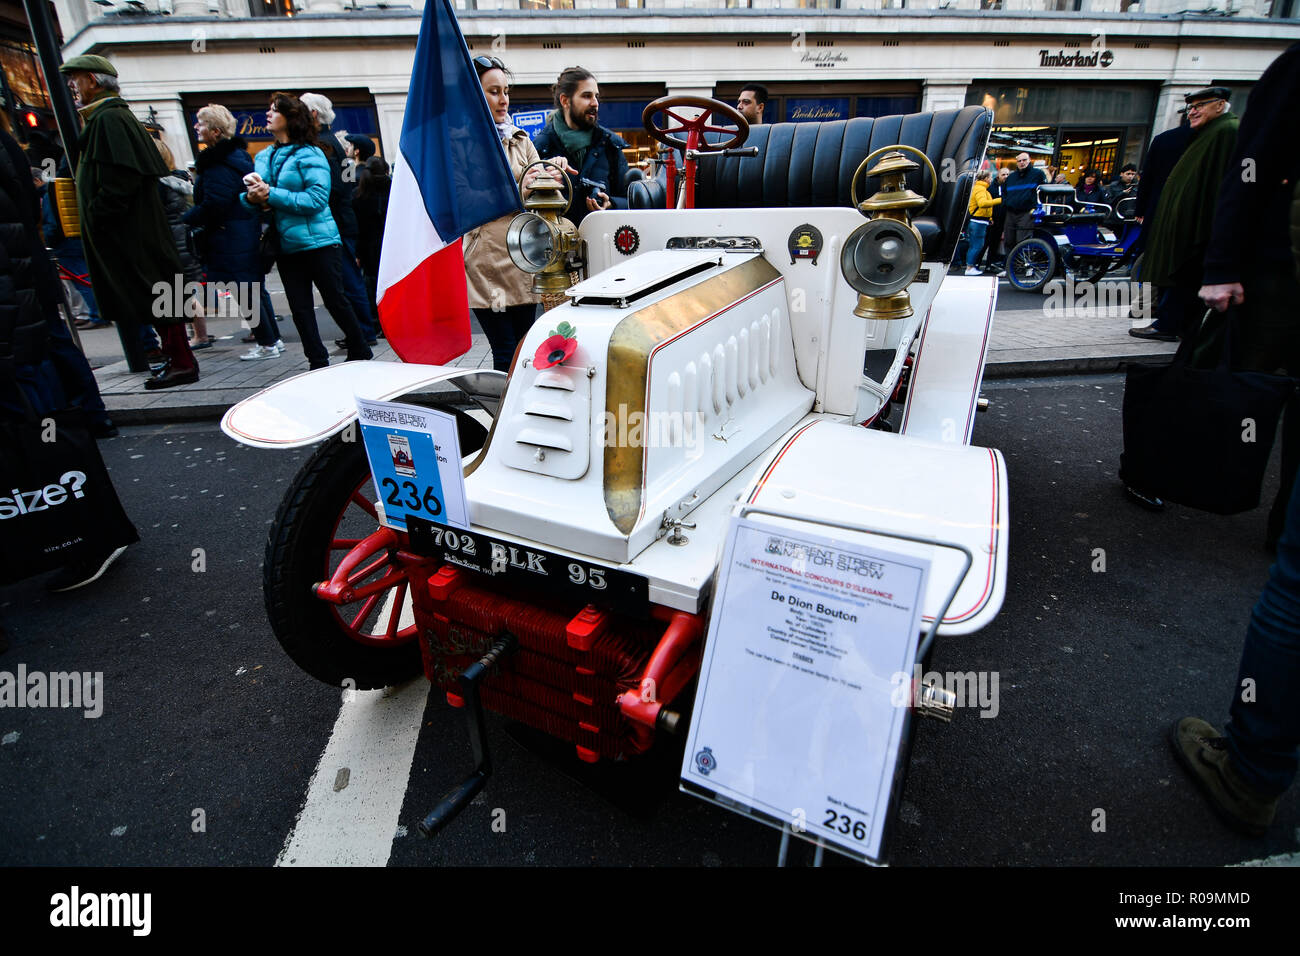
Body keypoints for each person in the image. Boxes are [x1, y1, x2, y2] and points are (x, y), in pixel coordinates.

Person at [0, 125, 132, 588]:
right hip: (25, 304)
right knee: (41, 421)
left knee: (39, 428)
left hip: (16, 313)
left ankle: (81, 534)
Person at [1198, 44, 1300, 550]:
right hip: (1283, 268)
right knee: (1252, 388)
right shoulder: (1295, 69)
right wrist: (1222, 266)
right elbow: (1250, 167)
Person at [58, 54, 198, 389]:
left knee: (158, 295)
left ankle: (181, 361)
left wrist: (98, 210)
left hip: (133, 232)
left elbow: (121, 179)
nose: (72, 86)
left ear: (93, 80)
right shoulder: (108, 118)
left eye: (76, 79)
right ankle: (177, 359)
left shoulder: (110, 119)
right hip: (134, 231)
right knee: (157, 296)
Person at [242, 92, 372, 369]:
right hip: (286, 243)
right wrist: (252, 198)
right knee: (299, 308)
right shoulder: (265, 156)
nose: (268, 114)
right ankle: (317, 361)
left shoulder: (312, 153)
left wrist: (271, 194)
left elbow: (316, 199)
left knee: (336, 299)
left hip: (320, 241)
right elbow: (259, 200)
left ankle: (360, 349)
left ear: (291, 118)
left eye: (275, 110)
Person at [1136, 86, 1239, 346]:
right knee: (1178, 274)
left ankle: (1172, 323)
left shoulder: (1227, 132)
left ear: (1220, 104)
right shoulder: (1207, 133)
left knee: (1184, 276)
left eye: (1200, 106)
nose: (1192, 112)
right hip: (1187, 223)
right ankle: (1174, 322)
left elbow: (1242, 178)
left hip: (1201, 226)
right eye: (1191, 107)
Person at [184, 103, 284, 361]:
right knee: (254, 288)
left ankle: (266, 343)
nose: (197, 127)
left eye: (202, 123)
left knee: (244, 290)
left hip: (229, 234)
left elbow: (216, 203)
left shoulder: (218, 164)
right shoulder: (235, 158)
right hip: (241, 230)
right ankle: (273, 339)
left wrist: (189, 218)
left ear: (216, 131)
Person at [464, 54, 542, 372]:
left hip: (524, 256)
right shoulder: (462, 142)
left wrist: (554, 171)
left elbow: (543, 187)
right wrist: (523, 188)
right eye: (494, 91)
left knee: (526, 347)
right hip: (488, 262)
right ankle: (503, 419)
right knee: (506, 351)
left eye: (506, 91)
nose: (503, 99)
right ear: (474, 94)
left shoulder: (520, 138)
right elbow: (465, 200)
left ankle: (523, 415)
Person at [300, 92, 378, 347]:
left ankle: (364, 330)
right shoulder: (331, 143)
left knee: (348, 281)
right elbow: (344, 186)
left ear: (312, 114)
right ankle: (362, 330)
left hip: (339, 223)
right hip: (343, 221)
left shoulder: (324, 145)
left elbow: (337, 189)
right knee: (348, 281)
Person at [532, 66, 628, 228]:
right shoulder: (540, 147)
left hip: (602, 242)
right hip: (555, 246)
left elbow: (631, 199)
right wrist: (546, 177)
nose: (595, 103)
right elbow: (526, 207)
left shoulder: (611, 145)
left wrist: (611, 203)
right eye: (586, 96)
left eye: (596, 96)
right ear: (565, 101)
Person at [1128, 112, 1193, 340]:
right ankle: (1163, 312)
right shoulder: (1207, 140)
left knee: (1151, 259)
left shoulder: (1165, 139)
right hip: (1186, 213)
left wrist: (1141, 210)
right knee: (1177, 265)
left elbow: (1148, 177)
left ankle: (1145, 305)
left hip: (1158, 210)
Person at [153, 138, 208, 350]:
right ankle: (198, 335)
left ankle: (198, 336)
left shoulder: (160, 186)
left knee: (180, 294)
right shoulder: (179, 180)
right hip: (185, 241)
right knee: (185, 293)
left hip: (173, 243)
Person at [352, 154, 390, 335]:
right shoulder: (393, 191)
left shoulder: (359, 194)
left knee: (371, 286)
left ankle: (376, 322)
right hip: (390, 246)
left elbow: (357, 227)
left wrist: (357, 252)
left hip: (368, 248)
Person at [999, 152, 1047, 261]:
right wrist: (1006, 203)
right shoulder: (1011, 177)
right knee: (1009, 240)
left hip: (1027, 211)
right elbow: (1004, 193)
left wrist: (1036, 207)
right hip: (1011, 211)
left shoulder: (1037, 174)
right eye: (1019, 161)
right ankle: (1010, 266)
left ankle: (1025, 264)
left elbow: (1044, 191)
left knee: (1023, 240)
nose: (1022, 163)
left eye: (1024, 160)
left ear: (1029, 160)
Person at [964, 168, 1000, 277]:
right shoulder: (981, 189)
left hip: (978, 221)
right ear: (985, 178)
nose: (991, 179)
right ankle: (969, 268)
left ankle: (970, 266)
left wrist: (989, 219)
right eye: (990, 177)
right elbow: (982, 203)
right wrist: (1000, 200)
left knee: (974, 245)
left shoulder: (979, 188)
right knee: (977, 245)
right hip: (978, 222)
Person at [977, 165, 1010, 272]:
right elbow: (986, 203)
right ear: (998, 176)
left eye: (1007, 174)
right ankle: (976, 263)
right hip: (990, 220)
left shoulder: (1008, 187)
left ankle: (989, 264)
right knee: (985, 243)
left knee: (994, 244)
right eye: (1003, 174)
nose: (1005, 176)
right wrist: (990, 217)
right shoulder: (991, 188)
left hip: (1001, 221)